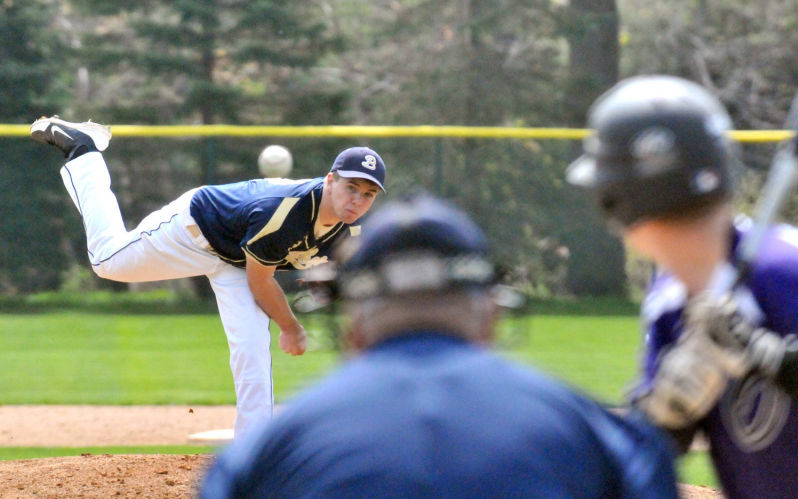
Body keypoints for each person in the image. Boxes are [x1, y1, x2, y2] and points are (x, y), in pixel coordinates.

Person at [200, 193, 679, 498]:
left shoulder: (266, 454)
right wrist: (665, 424)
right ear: (491, 314)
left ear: (352, 327)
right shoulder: (594, 434)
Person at [30, 115, 386, 440]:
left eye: (368, 194)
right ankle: (83, 151)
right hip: (195, 229)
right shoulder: (285, 213)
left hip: (237, 259)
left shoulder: (355, 231)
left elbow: (345, 274)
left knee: (251, 346)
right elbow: (261, 282)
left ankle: (253, 442)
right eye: (351, 187)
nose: (358, 199)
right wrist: (291, 327)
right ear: (330, 180)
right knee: (107, 261)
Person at [567, 74, 798, 498]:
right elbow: (649, 456)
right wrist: (667, 416)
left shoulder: (785, 269)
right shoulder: (671, 303)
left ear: (621, 202)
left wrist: (769, 357)